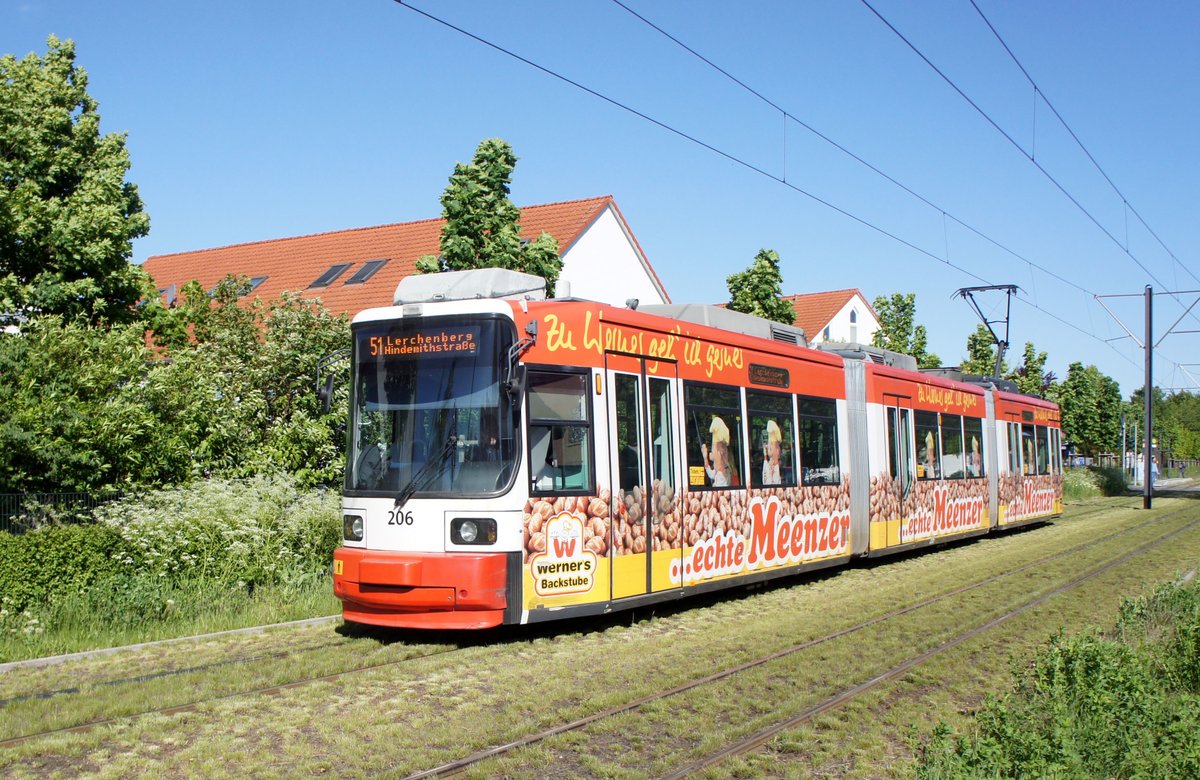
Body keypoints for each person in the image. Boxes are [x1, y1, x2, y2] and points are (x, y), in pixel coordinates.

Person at [700, 416, 732, 487]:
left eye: (713, 450)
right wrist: (705, 458)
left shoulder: (721, 475)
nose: (711, 454)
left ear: (719, 453)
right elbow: (711, 474)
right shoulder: (718, 472)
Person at [762, 420, 782, 485]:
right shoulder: (776, 444)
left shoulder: (773, 443)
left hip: (773, 467)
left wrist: (766, 450)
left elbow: (771, 454)